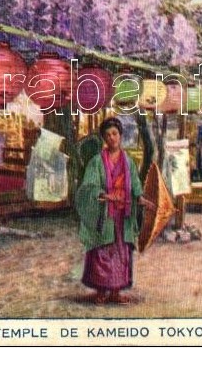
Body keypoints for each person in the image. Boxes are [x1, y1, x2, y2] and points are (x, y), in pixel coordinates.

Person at [75, 117, 155, 305]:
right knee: (102, 251)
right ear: (104, 138)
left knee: (121, 253)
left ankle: (116, 292)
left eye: (115, 134)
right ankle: (102, 291)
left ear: (120, 136)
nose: (112, 138)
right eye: (108, 135)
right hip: (104, 214)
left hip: (123, 215)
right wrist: (105, 195)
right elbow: (88, 187)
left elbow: (135, 186)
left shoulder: (129, 162)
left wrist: (141, 199)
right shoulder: (96, 162)